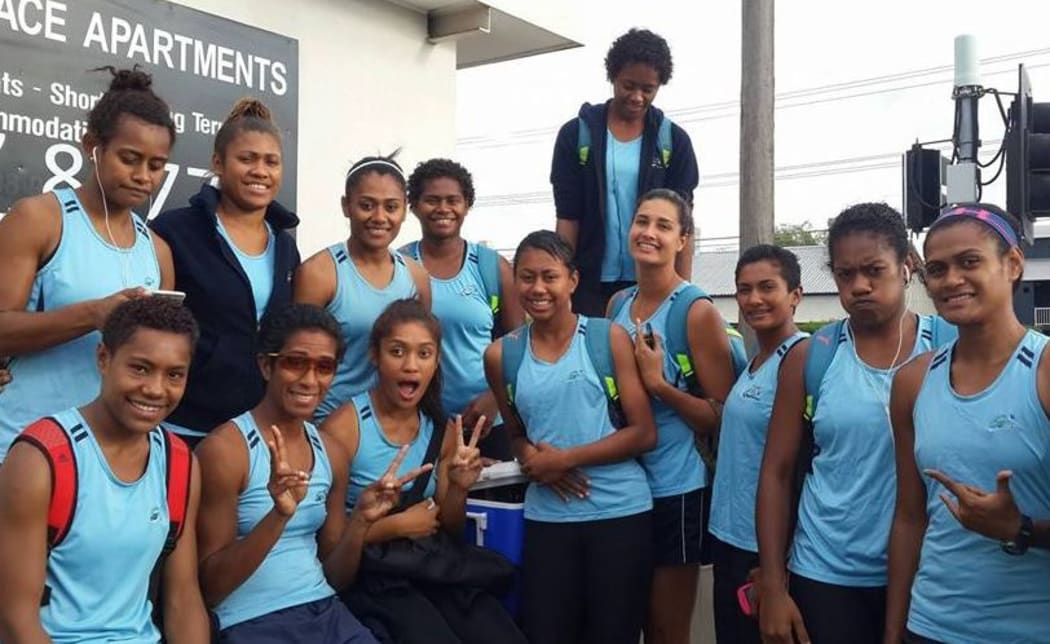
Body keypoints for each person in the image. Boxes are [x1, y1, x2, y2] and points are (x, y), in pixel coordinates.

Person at [755, 203, 952, 644]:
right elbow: (776, 472)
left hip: (931, 572)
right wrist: (771, 582)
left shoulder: (949, 348)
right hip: (826, 571)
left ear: (906, 267)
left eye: (873, 270)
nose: (859, 286)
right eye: (845, 275)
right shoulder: (812, 358)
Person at [196, 303, 430, 642]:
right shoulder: (226, 450)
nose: (310, 380)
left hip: (326, 609)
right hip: (251, 621)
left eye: (324, 367)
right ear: (266, 365)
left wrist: (361, 522)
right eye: (295, 363)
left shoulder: (331, 452)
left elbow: (336, 576)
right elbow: (211, 589)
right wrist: (278, 516)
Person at [885, 204, 1050, 644]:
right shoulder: (913, 381)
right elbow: (909, 516)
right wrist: (893, 630)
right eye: (937, 269)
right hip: (932, 625)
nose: (952, 279)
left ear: (1013, 264)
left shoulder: (1043, 371)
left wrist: (1021, 529)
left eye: (970, 262)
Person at [0, 297, 209, 642]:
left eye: (174, 374)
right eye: (140, 368)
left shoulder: (179, 463)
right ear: (103, 359)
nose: (155, 389)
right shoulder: (42, 459)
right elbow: (14, 619)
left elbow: (183, 599)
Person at [485, 230, 657, 644]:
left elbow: (643, 432)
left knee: (613, 633)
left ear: (573, 281)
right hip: (548, 519)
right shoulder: (501, 355)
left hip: (620, 514)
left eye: (550, 276)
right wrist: (534, 461)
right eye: (526, 277)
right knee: (548, 631)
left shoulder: (606, 338)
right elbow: (516, 433)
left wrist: (565, 460)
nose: (538, 288)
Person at [323, 298, 524, 644]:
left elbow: (450, 527)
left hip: (429, 569)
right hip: (375, 580)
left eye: (424, 354)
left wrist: (460, 488)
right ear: (375, 355)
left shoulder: (441, 429)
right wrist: (393, 526)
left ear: (436, 360)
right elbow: (328, 552)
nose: (410, 366)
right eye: (397, 352)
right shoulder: (344, 429)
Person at [0, 66, 176, 459]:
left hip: (112, 454)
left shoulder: (157, 250)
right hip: (24, 442)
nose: (142, 176)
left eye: (156, 165)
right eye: (129, 158)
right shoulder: (39, 219)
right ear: (92, 146)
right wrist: (95, 314)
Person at [605, 189, 735, 644]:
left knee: (666, 628)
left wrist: (660, 385)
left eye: (663, 226)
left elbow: (721, 415)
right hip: (622, 489)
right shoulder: (617, 305)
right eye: (642, 221)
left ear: (683, 240)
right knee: (628, 619)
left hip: (676, 487)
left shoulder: (695, 311)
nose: (649, 233)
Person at [151, 98, 300, 446]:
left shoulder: (285, 247)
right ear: (218, 163)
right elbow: (154, 330)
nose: (260, 171)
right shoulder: (174, 232)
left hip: (254, 430)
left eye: (271, 162)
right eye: (246, 159)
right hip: (184, 426)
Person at [551, 28, 699, 317]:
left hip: (651, 283)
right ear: (612, 76)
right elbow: (567, 218)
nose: (637, 97)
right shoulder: (576, 135)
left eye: (648, 89)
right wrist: (562, 287)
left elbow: (684, 225)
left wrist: (683, 294)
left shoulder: (673, 141)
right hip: (589, 285)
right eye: (628, 85)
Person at [708, 244, 805, 644]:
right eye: (744, 290)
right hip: (727, 539)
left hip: (762, 551)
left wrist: (775, 567)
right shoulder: (755, 360)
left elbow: (795, 467)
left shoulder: (798, 358)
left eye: (767, 287)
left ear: (795, 295)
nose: (754, 299)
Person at [402, 158, 525, 458]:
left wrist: (494, 399)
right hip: (420, 423)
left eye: (453, 200)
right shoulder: (399, 266)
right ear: (414, 206)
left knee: (489, 504)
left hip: (487, 422)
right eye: (432, 200)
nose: (443, 208)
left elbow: (521, 345)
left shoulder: (490, 266)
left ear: (467, 205)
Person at [296, 155, 431, 423]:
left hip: (393, 426)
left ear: (404, 209)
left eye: (391, 207)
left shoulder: (416, 276)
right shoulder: (319, 273)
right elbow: (298, 361)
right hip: (327, 424)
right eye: (367, 205)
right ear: (346, 206)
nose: (379, 217)